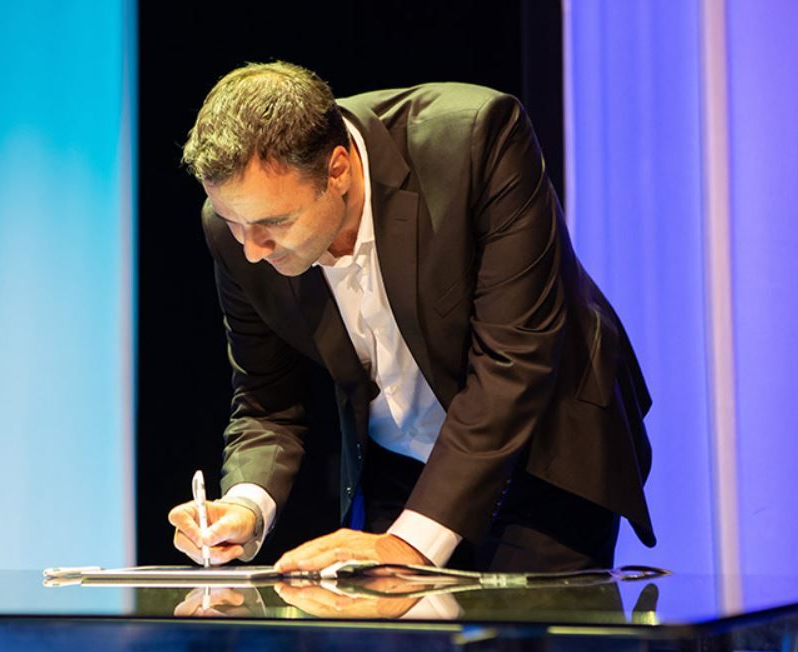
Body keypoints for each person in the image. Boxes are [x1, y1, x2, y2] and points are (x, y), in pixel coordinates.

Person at [168, 61, 655, 573]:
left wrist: (409, 544)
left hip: (540, 448)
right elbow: (267, 398)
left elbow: (514, 358)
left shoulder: (476, 139)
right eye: (233, 221)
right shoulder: (234, 230)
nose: (251, 250)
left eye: (274, 222)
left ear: (337, 171)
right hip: (400, 470)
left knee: (523, 622)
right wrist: (245, 505)